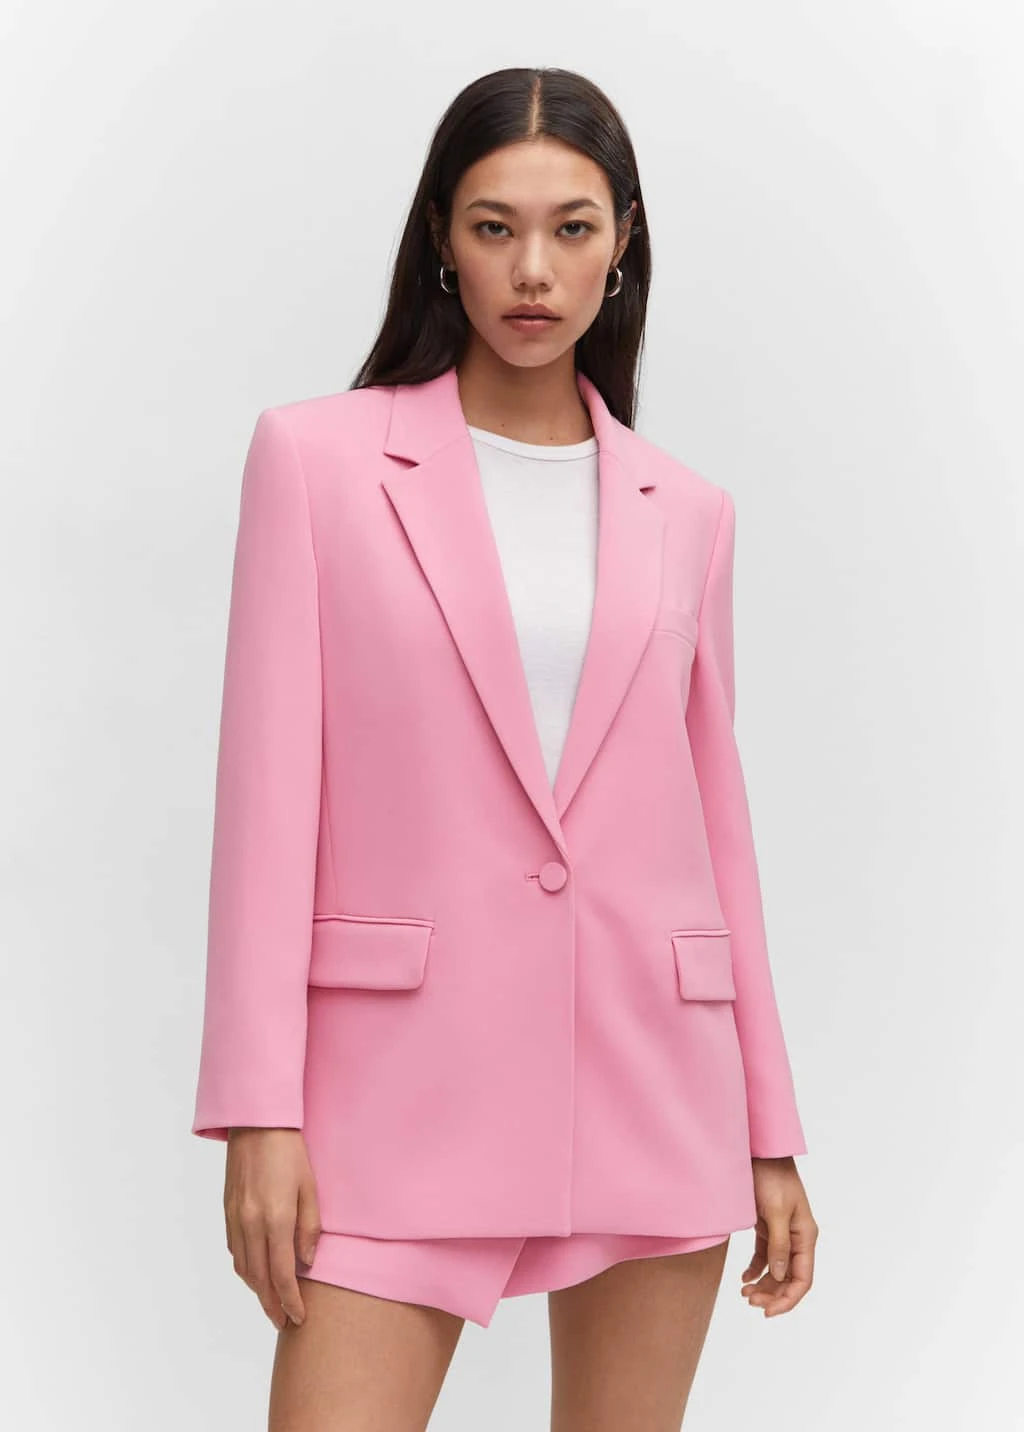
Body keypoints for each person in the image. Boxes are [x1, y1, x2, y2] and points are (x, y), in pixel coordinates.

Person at [190, 65, 818, 1431]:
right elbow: (267, 804)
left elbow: (715, 832)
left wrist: (770, 1127)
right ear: (442, 238)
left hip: (654, 1082)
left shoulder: (688, 511)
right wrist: (258, 1109)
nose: (534, 268)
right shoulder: (316, 463)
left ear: (623, 241)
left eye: (572, 227)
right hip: (392, 1096)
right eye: (494, 227)